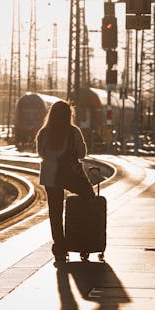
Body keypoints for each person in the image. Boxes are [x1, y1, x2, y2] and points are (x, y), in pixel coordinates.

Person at [36, 100, 94, 263]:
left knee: (55, 213)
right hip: (70, 174)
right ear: (69, 115)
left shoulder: (43, 132)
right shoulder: (74, 132)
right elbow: (82, 154)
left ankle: (60, 248)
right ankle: (82, 241)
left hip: (50, 176)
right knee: (88, 198)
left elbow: (41, 153)